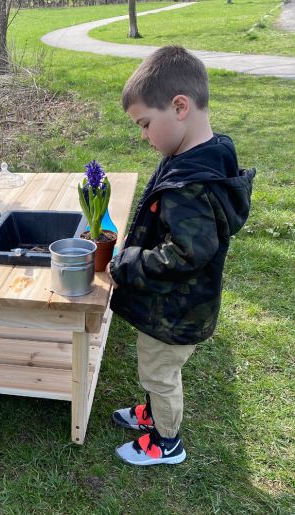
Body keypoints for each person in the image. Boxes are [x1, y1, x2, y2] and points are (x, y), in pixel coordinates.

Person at [107, 46, 255, 466]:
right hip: (177, 303)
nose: (143, 135)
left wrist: (127, 263)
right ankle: (152, 414)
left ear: (179, 106)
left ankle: (166, 442)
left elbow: (187, 253)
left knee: (159, 372)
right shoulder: (204, 157)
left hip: (178, 309)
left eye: (145, 124)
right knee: (152, 365)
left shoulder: (192, 185)